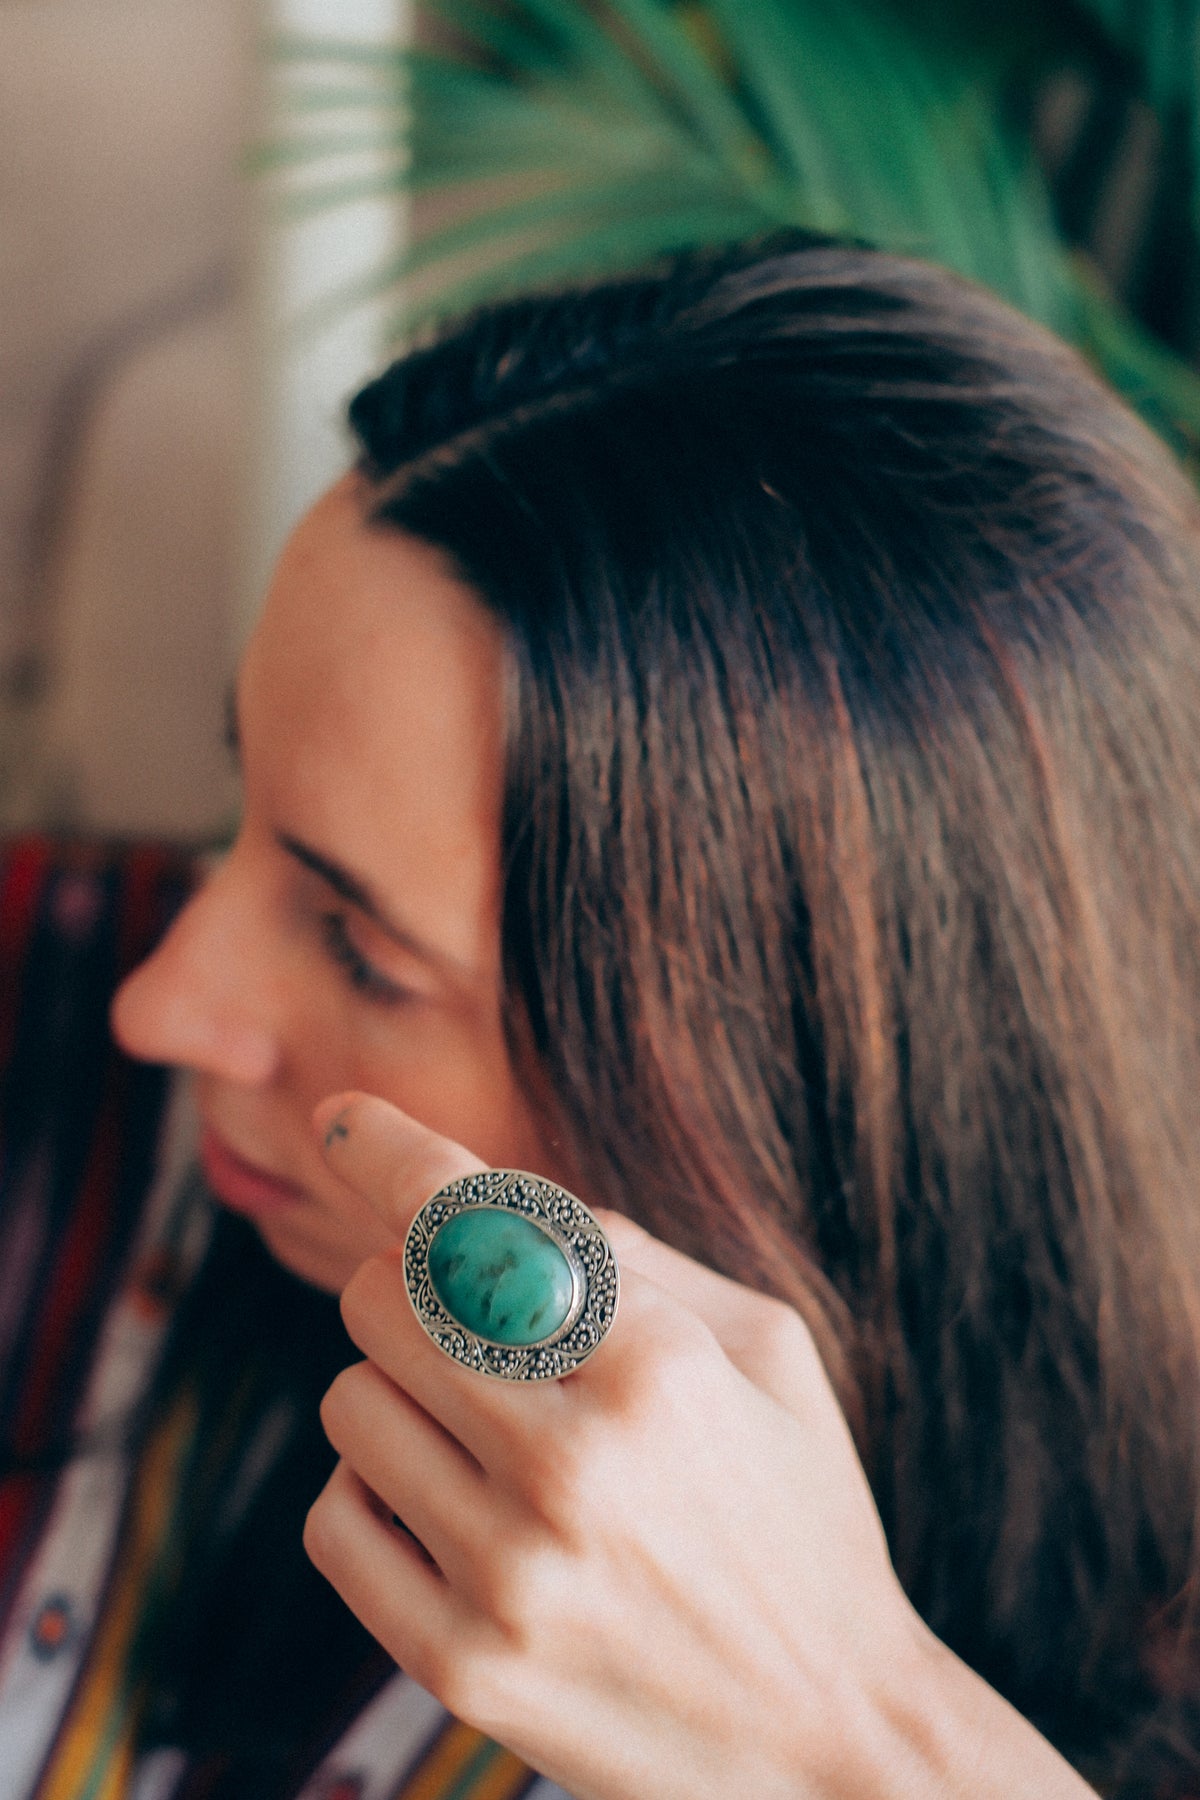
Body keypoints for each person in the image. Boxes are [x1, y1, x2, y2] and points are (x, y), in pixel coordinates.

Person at [4, 232, 1200, 1798]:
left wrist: (852, 1741)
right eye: (246, 808)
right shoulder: (52, 1004)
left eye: (362, 950)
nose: (166, 1004)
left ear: (798, 1104)